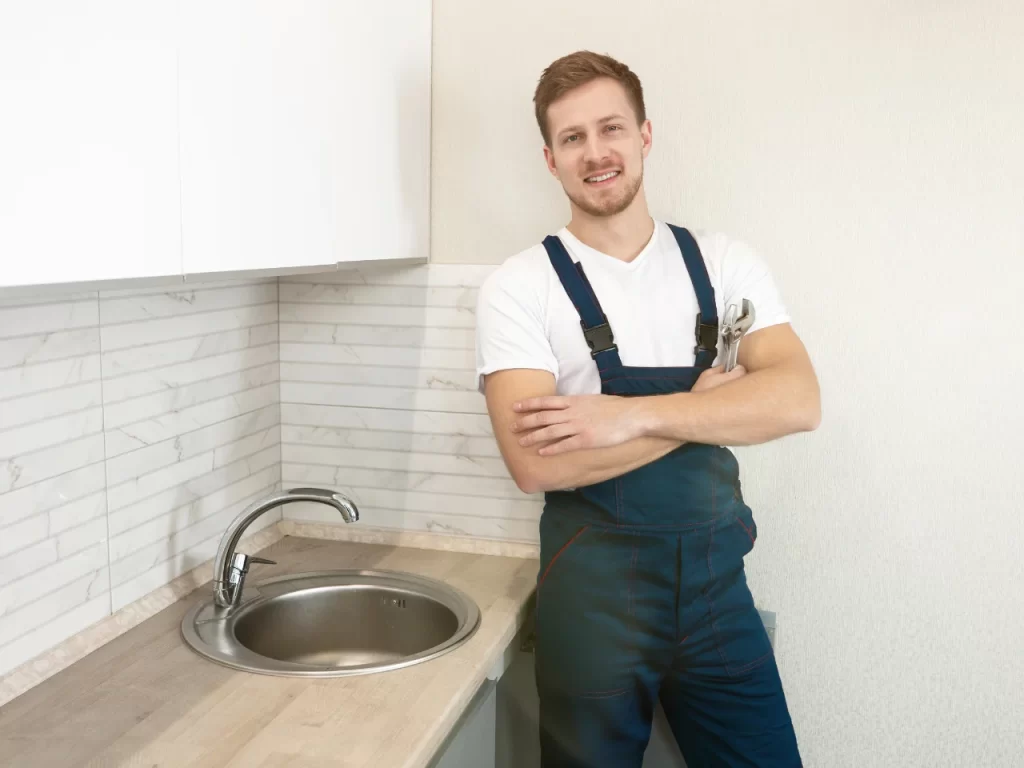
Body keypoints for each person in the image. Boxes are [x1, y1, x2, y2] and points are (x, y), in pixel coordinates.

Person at [474, 50, 821, 767]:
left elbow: (797, 401)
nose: (596, 153)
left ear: (645, 136)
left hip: (718, 597)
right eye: (573, 138)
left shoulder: (722, 262)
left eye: (611, 129)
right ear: (550, 158)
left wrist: (625, 416)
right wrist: (700, 408)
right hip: (590, 603)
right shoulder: (518, 286)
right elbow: (535, 465)